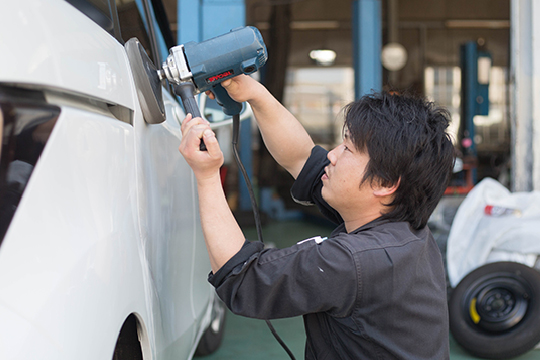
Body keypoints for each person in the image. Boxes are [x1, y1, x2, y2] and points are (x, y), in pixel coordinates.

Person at [178, 74, 454, 360]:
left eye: (347, 148)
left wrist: (208, 175)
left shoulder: (352, 261)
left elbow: (242, 280)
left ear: (384, 183)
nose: (332, 155)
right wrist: (254, 93)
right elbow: (303, 159)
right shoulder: (406, 232)